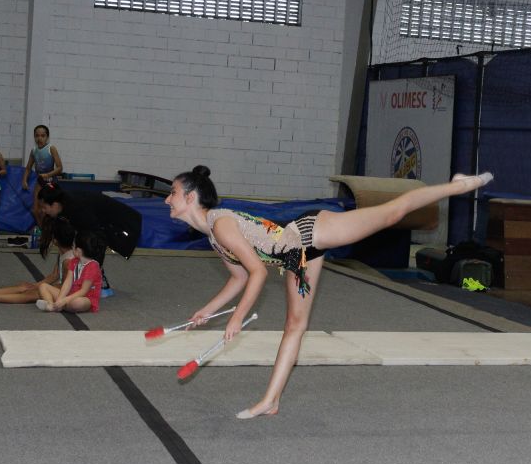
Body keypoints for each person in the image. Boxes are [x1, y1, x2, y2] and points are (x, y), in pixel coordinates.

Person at [165, 165, 494, 419]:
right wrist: (207, 311)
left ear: (190, 197)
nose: (168, 199)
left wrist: (236, 318)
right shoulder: (214, 236)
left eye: (173, 192)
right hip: (297, 257)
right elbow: (238, 279)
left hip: (310, 232)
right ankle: (270, 400)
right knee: (295, 325)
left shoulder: (221, 225)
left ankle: (459, 185)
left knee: (392, 213)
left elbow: (258, 272)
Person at [37, 183, 142, 296]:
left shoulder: (78, 210)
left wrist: (92, 272)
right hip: (102, 222)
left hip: (124, 225)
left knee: (89, 242)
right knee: (83, 243)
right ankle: (94, 277)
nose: (43, 211)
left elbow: (97, 241)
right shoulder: (63, 204)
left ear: (55, 204)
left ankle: (99, 281)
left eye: (44, 207)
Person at [0, 219, 76, 304]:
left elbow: (66, 288)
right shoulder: (62, 252)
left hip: (68, 292)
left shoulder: (68, 261)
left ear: (56, 241)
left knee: (30, 294)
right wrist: (35, 285)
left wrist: (41, 288)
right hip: (60, 287)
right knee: (24, 287)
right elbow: (54, 275)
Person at [36, 230, 105, 313]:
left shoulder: (92, 266)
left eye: (73, 246)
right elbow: (67, 282)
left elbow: (84, 291)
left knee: (77, 303)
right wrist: (60, 299)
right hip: (71, 294)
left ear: (78, 251)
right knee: (43, 286)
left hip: (86, 298)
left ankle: (59, 306)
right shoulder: (73, 261)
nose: (72, 248)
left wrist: (65, 300)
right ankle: (52, 306)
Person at [22, 125, 63, 226]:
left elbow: (60, 168)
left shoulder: (51, 148)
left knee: (48, 210)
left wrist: (48, 174)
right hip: (40, 182)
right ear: (34, 137)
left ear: (47, 137)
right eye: (37, 136)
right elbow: (28, 167)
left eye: (42, 136)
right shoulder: (34, 150)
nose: (39, 138)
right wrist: (24, 180)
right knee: (36, 210)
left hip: (51, 182)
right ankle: (42, 229)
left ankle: (49, 230)